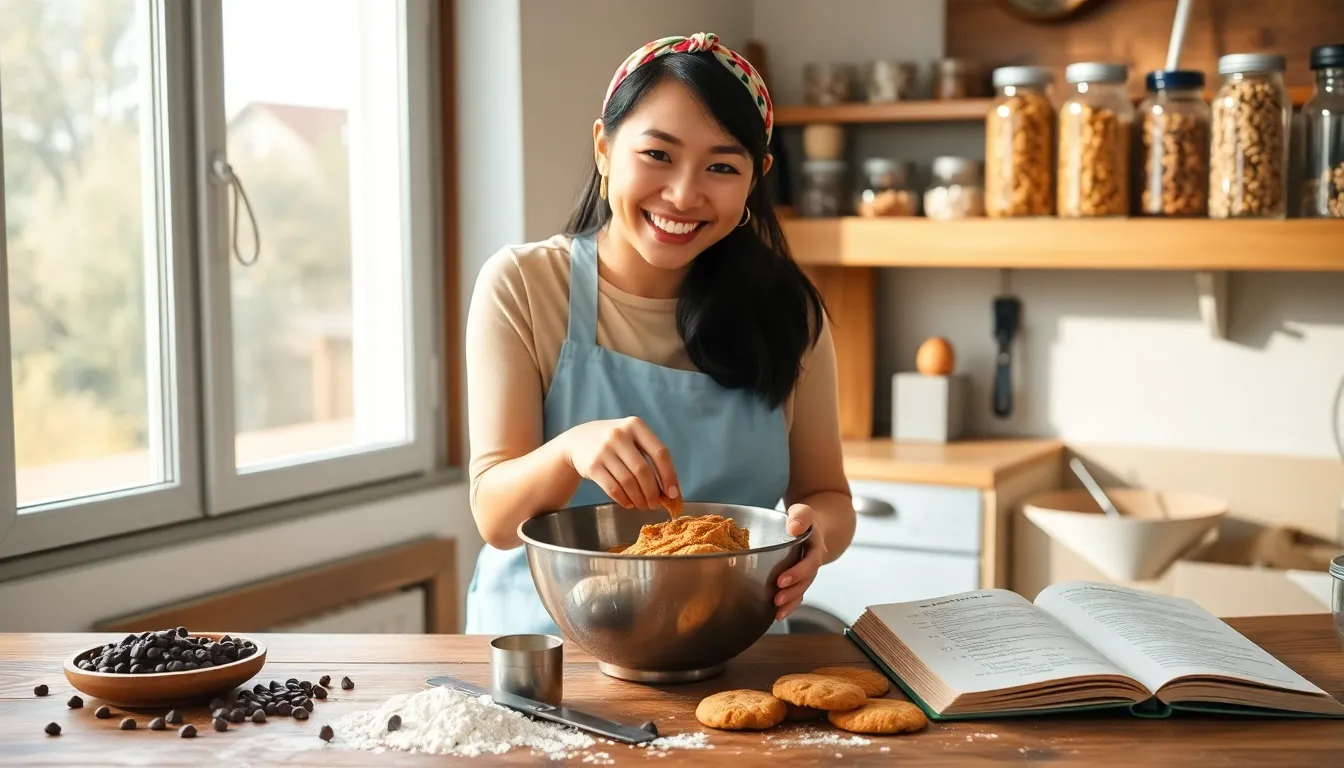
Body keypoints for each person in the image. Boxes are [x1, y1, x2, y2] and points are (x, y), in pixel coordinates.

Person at [463, 32, 855, 636]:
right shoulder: (524, 286)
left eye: (722, 166)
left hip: (731, 647)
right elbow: (494, 515)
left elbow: (828, 495)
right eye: (658, 154)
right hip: (549, 661)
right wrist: (571, 450)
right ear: (603, 147)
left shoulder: (789, 313)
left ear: (757, 178)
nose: (682, 193)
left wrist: (816, 537)